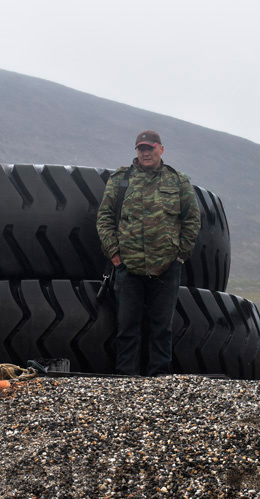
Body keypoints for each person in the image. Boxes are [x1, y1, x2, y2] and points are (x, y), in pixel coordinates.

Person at [96, 130, 201, 376]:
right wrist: (114, 254)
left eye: (150, 148)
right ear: (136, 151)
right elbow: (104, 218)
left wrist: (179, 255)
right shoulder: (121, 180)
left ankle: (159, 381)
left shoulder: (178, 181)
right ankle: (126, 380)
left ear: (161, 149)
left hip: (166, 267)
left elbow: (192, 220)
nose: (145, 153)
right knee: (127, 328)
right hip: (128, 267)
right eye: (141, 149)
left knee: (161, 328)